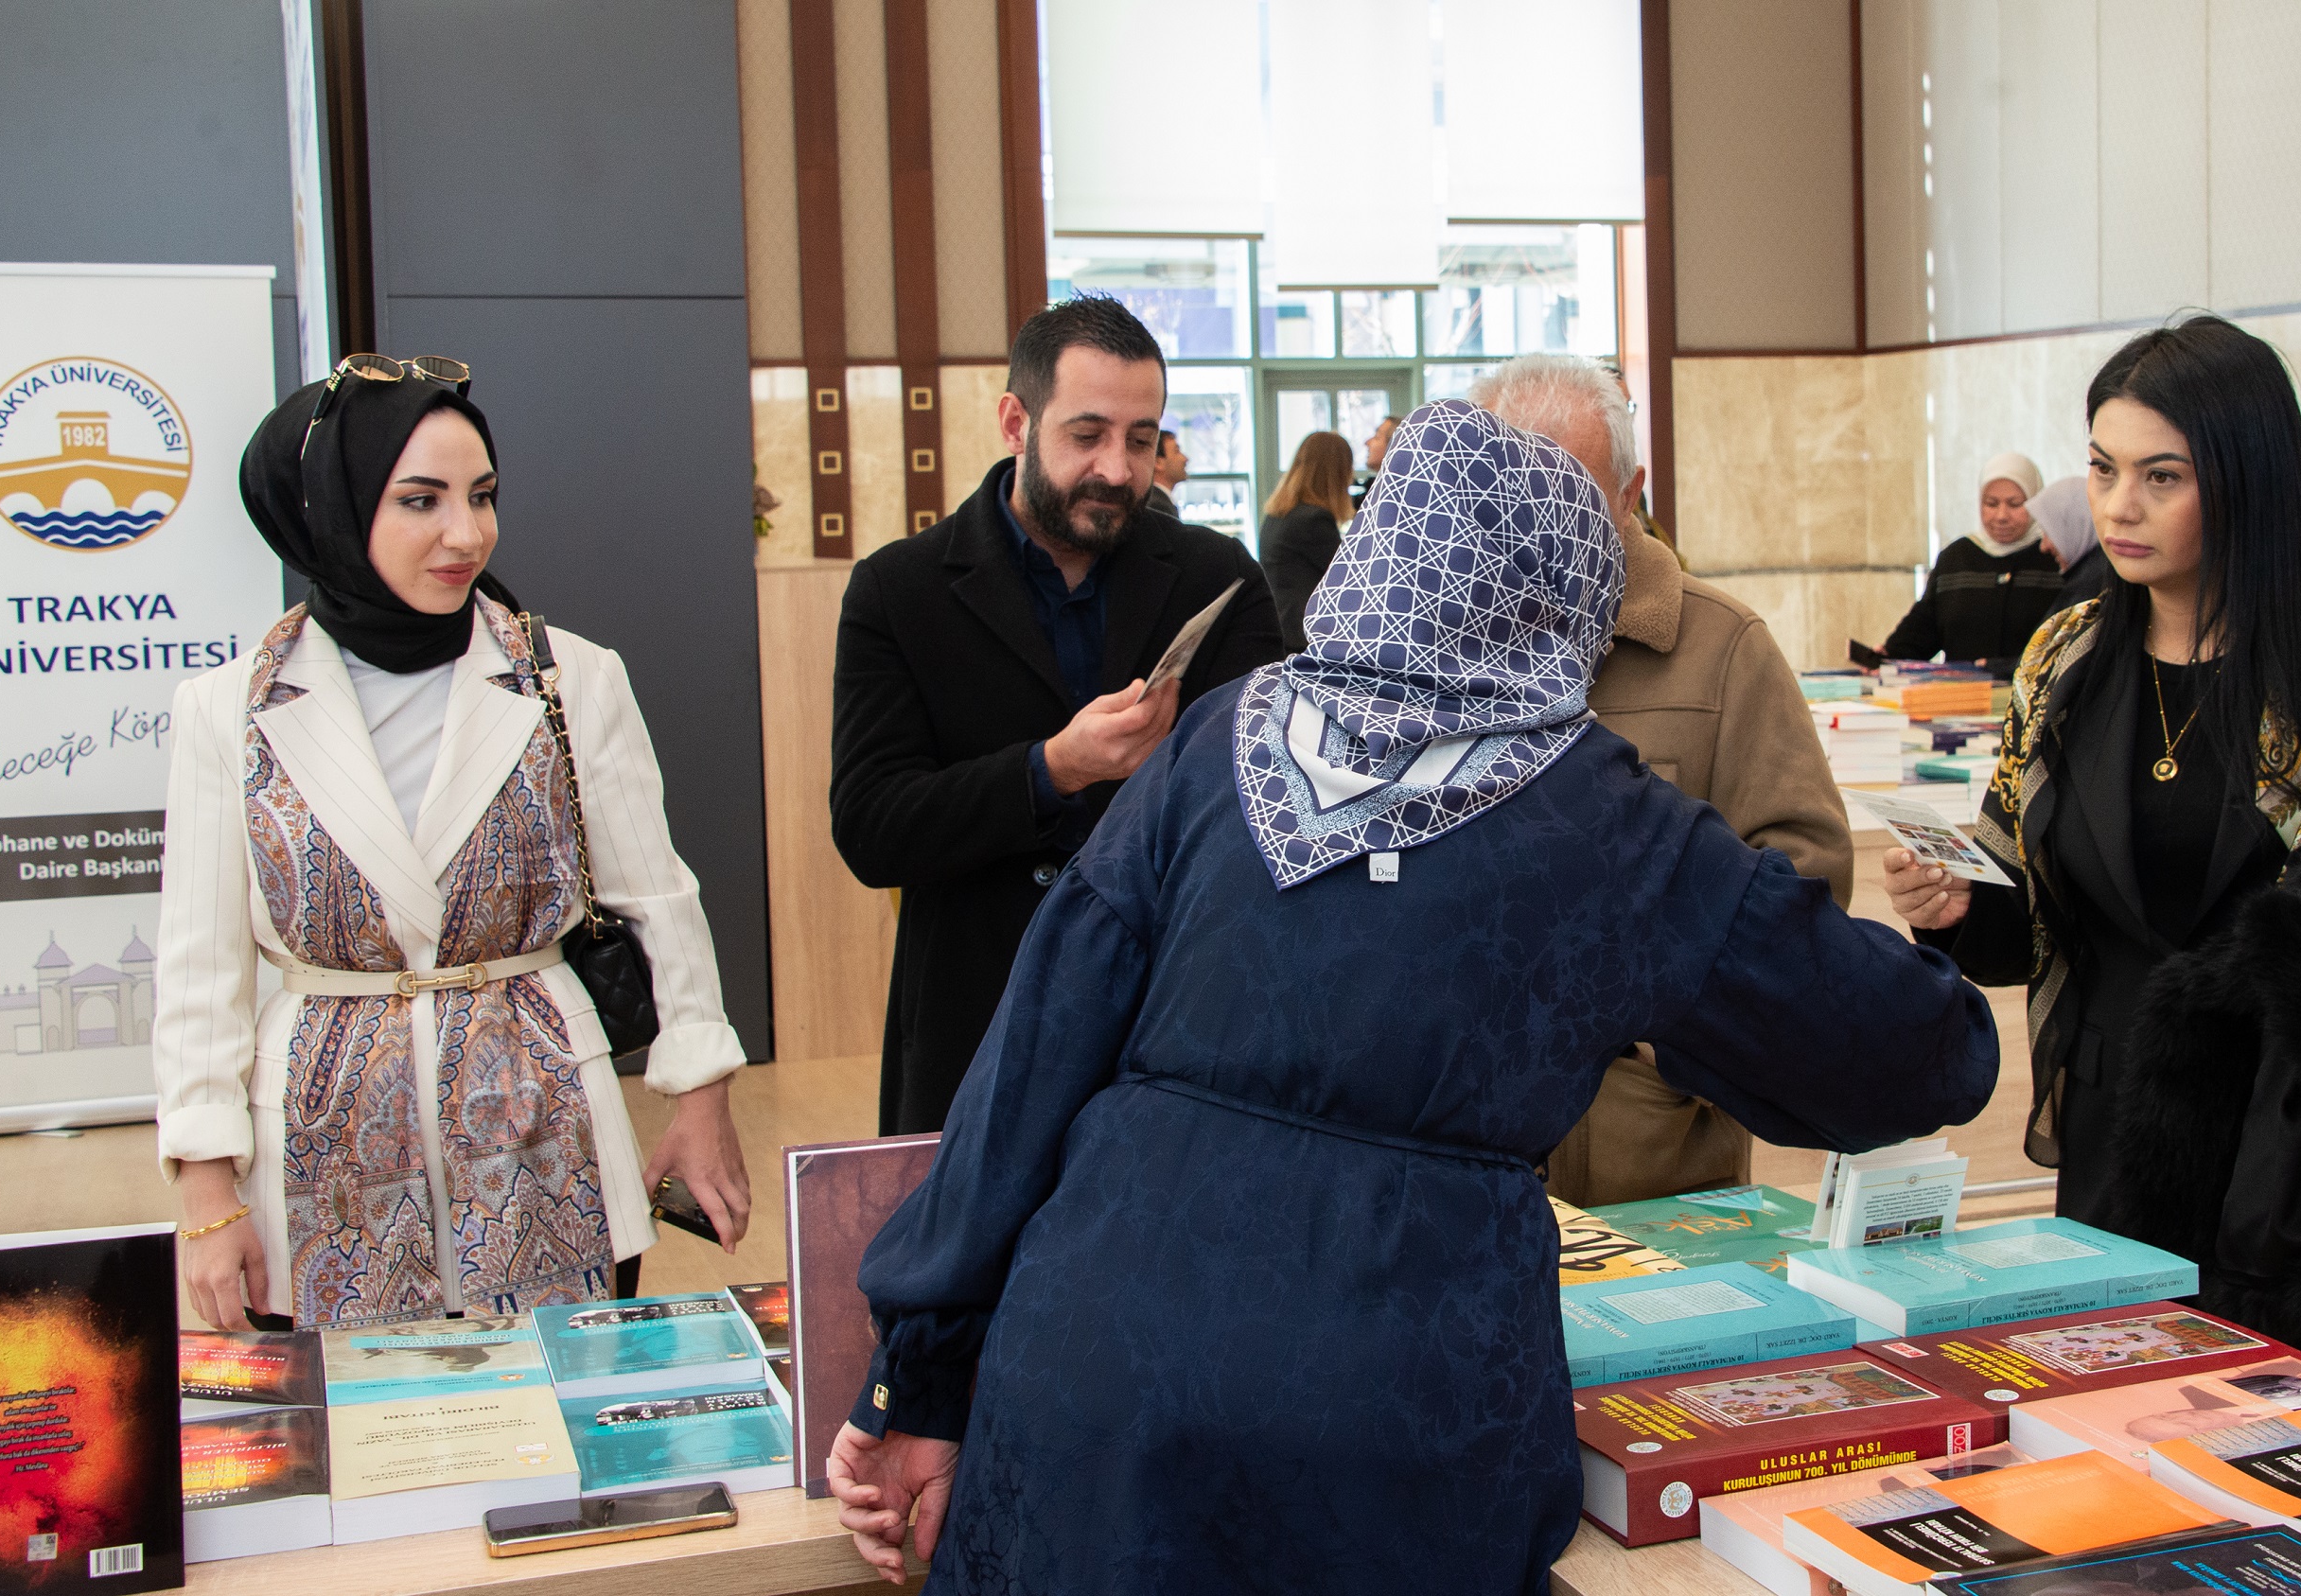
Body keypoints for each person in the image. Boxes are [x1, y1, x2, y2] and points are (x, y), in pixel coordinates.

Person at [827, 402, 1996, 1594]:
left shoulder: (1216, 739)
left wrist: (919, 1380)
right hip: (1396, 1400)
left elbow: (1027, 1064)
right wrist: (1956, 978)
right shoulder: (1604, 817)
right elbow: (1893, 1046)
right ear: (1568, 588)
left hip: (1099, 1371)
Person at [1880, 318, 2301, 1387]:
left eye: (2161, 475)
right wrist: (1953, 903)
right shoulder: (2067, 655)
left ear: (2244, 478)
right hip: (2117, 1146)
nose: (2119, 505)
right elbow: (2031, 923)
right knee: (2123, 1492)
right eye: (2102, 468)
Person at [156, 357, 751, 1330]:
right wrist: (205, 1195)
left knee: (558, 1433)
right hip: (323, 1150)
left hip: (541, 1128)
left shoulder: (568, 677)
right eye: (421, 500)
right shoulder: (231, 709)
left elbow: (660, 901)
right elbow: (197, 972)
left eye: (482, 497)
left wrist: (700, 1103)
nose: (466, 533)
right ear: (334, 511)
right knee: (362, 1449)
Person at [830, 297, 1285, 1135]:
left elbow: (1273, 797)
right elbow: (872, 828)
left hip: (1172, 1022)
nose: (1118, 467)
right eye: (1087, 434)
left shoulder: (1214, 577)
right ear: (1016, 420)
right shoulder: (901, 591)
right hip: (977, 1024)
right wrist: (1053, 769)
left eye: (1142, 439)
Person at [1470, 353, 1852, 1204]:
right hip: (1464, 1164)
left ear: (1630, 491)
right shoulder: (1429, 652)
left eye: (1569, 494)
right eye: (1503, 492)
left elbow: (1805, 874)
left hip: (1655, 1164)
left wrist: (1671, 1048)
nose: (1534, 526)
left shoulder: (1722, 651)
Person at [1881, 454, 2064, 677]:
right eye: (1991, 504)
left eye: (2015, 504)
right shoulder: (1956, 558)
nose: (2001, 516)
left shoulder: (2053, 556)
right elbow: (1924, 628)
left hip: (2031, 701)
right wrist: (1886, 657)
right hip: (1962, 700)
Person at [1256, 430, 1354, 651]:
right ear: (1337, 473)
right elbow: (1349, 581)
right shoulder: (1314, 520)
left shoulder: (1278, 514)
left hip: (1283, 630)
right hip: (1304, 638)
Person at [2029, 471, 2106, 619]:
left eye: (2049, 531)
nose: (2043, 546)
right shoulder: (2091, 576)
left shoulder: (2090, 593)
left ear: (2074, 525)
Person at [1347, 412, 1397, 509]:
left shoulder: (1394, 499)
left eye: (1377, 437)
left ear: (1393, 446)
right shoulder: (1375, 490)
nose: (1367, 442)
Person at [1146, 427, 1187, 518]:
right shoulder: (1158, 507)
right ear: (1157, 462)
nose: (1185, 459)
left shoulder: (1158, 501)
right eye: (1177, 451)